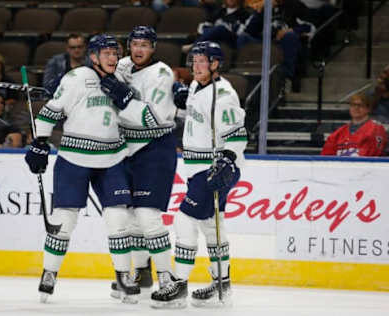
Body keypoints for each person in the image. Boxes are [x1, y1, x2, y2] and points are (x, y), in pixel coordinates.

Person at [24, 34, 139, 304]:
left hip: (112, 159)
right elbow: (49, 113)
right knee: (64, 221)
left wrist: (129, 96)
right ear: (94, 56)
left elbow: (136, 112)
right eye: (107, 53)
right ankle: (49, 272)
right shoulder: (76, 78)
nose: (113, 58)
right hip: (74, 159)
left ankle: (123, 275)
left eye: (115, 53)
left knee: (118, 220)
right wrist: (40, 143)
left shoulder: (122, 79)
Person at [151, 41, 247, 308]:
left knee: (184, 220)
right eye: (194, 60)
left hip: (212, 169)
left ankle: (179, 284)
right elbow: (197, 116)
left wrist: (226, 161)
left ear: (216, 64)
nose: (196, 65)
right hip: (199, 169)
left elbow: (237, 134)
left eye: (202, 61)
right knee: (211, 226)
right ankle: (222, 282)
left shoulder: (224, 95)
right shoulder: (197, 86)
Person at [102, 26, 179, 301]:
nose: (139, 49)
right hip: (128, 148)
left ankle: (168, 279)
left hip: (155, 147)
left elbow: (153, 118)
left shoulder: (162, 74)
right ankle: (142, 272)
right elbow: (99, 72)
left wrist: (124, 98)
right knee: (132, 216)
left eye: (145, 45)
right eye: (134, 44)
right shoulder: (122, 65)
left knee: (148, 215)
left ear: (154, 47)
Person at [321, 93, 387, 157]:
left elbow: (372, 155)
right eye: (353, 105)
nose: (356, 108)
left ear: (368, 109)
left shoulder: (376, 129)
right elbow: (326, 156)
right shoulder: (339, 133)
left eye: (360, 105)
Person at [181, 0, 255, 53]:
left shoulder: (245, 14)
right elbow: (203, 26)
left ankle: (194, 46)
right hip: (214, 39)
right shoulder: (219, 11)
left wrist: (224, 28)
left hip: (232, 41)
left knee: (220, 28)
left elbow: (241, 33)